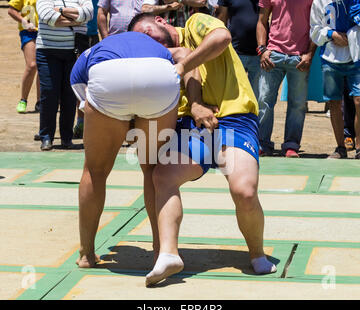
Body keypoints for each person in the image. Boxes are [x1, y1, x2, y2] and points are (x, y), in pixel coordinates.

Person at [129, 12, 277, 286]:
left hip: (234, 116)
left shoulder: (194, 22)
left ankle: (257, 254)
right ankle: (168, 254)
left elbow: (221, 37)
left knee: (244, 191)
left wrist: (181, 65)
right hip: (191, 124)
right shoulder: (155, 56)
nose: (145, 40)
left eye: (145, 31)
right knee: (163, 176)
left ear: (161, 20)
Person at [70, 31, 196, 269]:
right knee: (152, 169)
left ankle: (86, 253)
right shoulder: (160, 49)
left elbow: (86, 101)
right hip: (158, 74)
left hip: (108, 75)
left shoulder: (90, 52)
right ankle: (162, 251)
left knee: (94, 171)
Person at [256, 0, 316, 158]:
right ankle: (262, 144)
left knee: (298, 104)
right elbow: (262, 21)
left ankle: (291, 145)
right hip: (273, 55)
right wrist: (262, 49)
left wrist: (309, 54)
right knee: (264, 100)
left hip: (299, 58)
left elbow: (317, 25)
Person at [35, 0, 93, 151]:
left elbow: (89, 14)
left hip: (73, 52)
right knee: (49, 94)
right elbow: (48, 16)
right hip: (47, 51)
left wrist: (59, 9)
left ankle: (67, 138)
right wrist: (77, 18)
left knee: (69, 95)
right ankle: (46, 137)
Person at [310, 0, 360, 159]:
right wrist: (332, 34)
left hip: (356, 57)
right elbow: (314, 30)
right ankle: (340, 147)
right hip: (330, 58)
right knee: (334, 102)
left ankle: (359, 147)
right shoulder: (319, 1)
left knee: (359, 100)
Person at [216, 0, 261, 100]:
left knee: (257, 97)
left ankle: (254, 116)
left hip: (260, 53)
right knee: (233, 94)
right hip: (235, 51)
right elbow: (221, 19)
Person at [73, 0, 100, 139]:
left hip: (94, 35)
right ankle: (81, 121)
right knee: (79, 78)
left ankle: (88, 121)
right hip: (77, 35)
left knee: (93, 79)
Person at [8, 0, 40, 114]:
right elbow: (11, 10)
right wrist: (23, 21)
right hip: (28, 32)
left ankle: (40, 102)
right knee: (32, 65)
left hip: (47, 31)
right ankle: (23, 99)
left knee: (43, 66)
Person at [141, 0, 207, 27]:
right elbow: (145, 9)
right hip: (167, 31)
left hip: (190, 30)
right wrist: (168, 7)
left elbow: (201, 2)